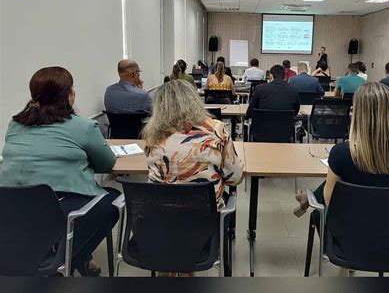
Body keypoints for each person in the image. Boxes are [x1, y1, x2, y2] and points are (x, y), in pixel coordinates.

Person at [1, 67, 119, 276]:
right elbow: (108, 164)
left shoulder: (15, 124)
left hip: (12, 207)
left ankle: (77, 259)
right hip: (60, 207)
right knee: (112, 201)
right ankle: (65, 264)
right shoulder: (83, 126)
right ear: (69, 95)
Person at [294, 82, 389, 216]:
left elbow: (330, 202)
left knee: (331, 187)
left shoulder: (342, 153)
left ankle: (308, 199)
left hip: (348, 234)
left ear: (356, 112)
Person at [143, 80, 244, 210]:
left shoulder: (152, 134)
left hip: (161, 218)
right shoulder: (216, 130)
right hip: (205, 218)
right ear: (195, 101)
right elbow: (234, 178)